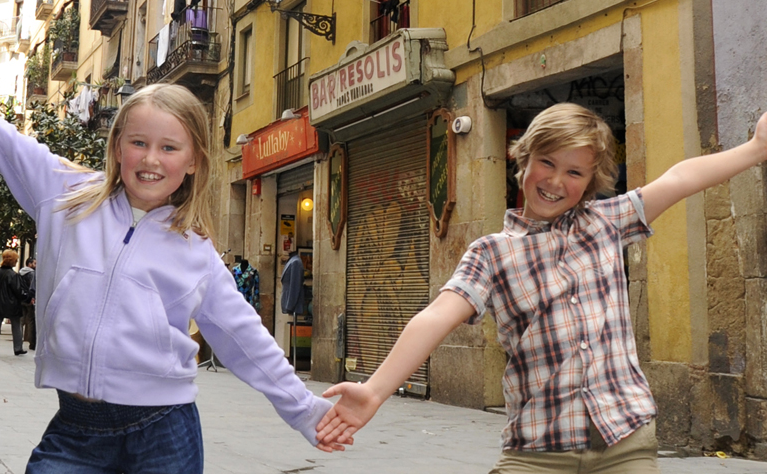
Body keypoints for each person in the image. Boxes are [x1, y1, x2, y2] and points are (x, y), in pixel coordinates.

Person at [0, 59, 344, 473]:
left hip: (164, 432)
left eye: (169, 148)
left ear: (192, 162)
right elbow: (1, 141)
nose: (150, 159)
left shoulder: (195, 251)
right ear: (118, 146)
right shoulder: (65, 195)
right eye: (138, 143)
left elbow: (243, 337)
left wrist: (305, 411)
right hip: (75, 429)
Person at [316, 102, 767, 473]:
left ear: (592, 181)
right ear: (522, 159)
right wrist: (375, 390)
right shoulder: (491, 253)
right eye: (546, 163)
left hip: (624, 440)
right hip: (538, 449)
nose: (555, 181)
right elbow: (435, 317)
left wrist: (755, 147)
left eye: (575, 172)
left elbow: (678, 179)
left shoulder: (606, 223)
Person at [0, 248, 25, 357]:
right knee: (16, 325)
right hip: (12, 304)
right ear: (11, 261)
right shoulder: (13, 275)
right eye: (15, 260)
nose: (16, 262)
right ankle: (18, 348)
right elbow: (17, 290)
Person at [280, 251, 306, 316]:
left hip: (293, 302)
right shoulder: (291, 261)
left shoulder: (295, 262)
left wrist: (290, 305)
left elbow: (295, 285)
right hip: (287, 299)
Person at [19, 257, 37, 351]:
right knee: (30, 320)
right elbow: (32, 286)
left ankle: (19, 340)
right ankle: (31, 342)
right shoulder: (31, 273)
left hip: (21, 298)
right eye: (34, 263)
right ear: (29, 264)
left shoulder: (20, 272)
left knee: (21, 320)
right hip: (29, 299)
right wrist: (31, 297)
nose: (36, 265)